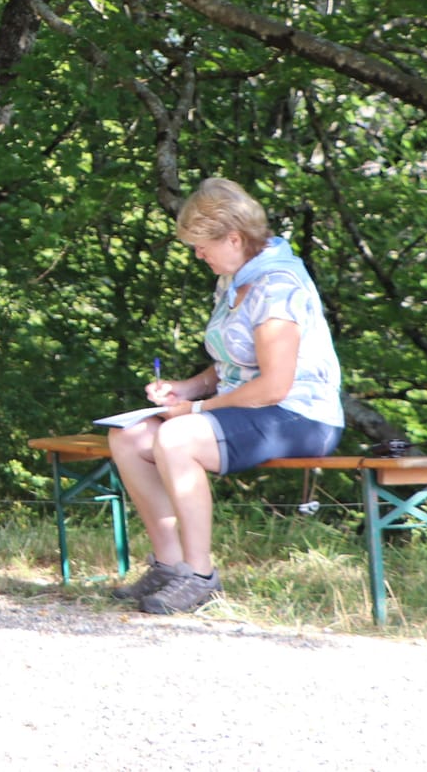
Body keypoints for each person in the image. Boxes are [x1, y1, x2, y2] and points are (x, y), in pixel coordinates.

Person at [107, 177, 345, 613]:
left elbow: (274, 385)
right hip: (250, 409)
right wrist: (186, 388)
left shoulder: (276, 285)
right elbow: (232, 366)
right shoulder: (235, 278)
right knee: (129, 436)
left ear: (234, 238)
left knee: (177, 437)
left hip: (301, 416)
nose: (198, 255)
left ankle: (201, 577)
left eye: (202, 246)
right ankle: (169, 565)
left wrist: (194, 409)